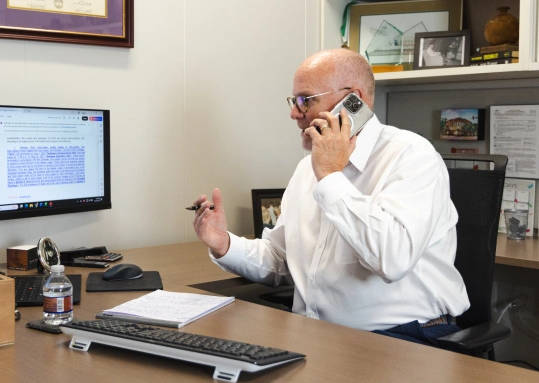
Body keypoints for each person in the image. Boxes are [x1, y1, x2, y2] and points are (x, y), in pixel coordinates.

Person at [191, 48, 469, 348]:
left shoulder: (412, 156)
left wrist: (331, 177)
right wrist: (224, 244)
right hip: (315, 336)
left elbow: (392, 259)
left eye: (305, 100)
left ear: (353, 101)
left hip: (403, 337)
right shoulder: (306, 169)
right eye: (293, 101)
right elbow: (282, 260)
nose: (294, 113)